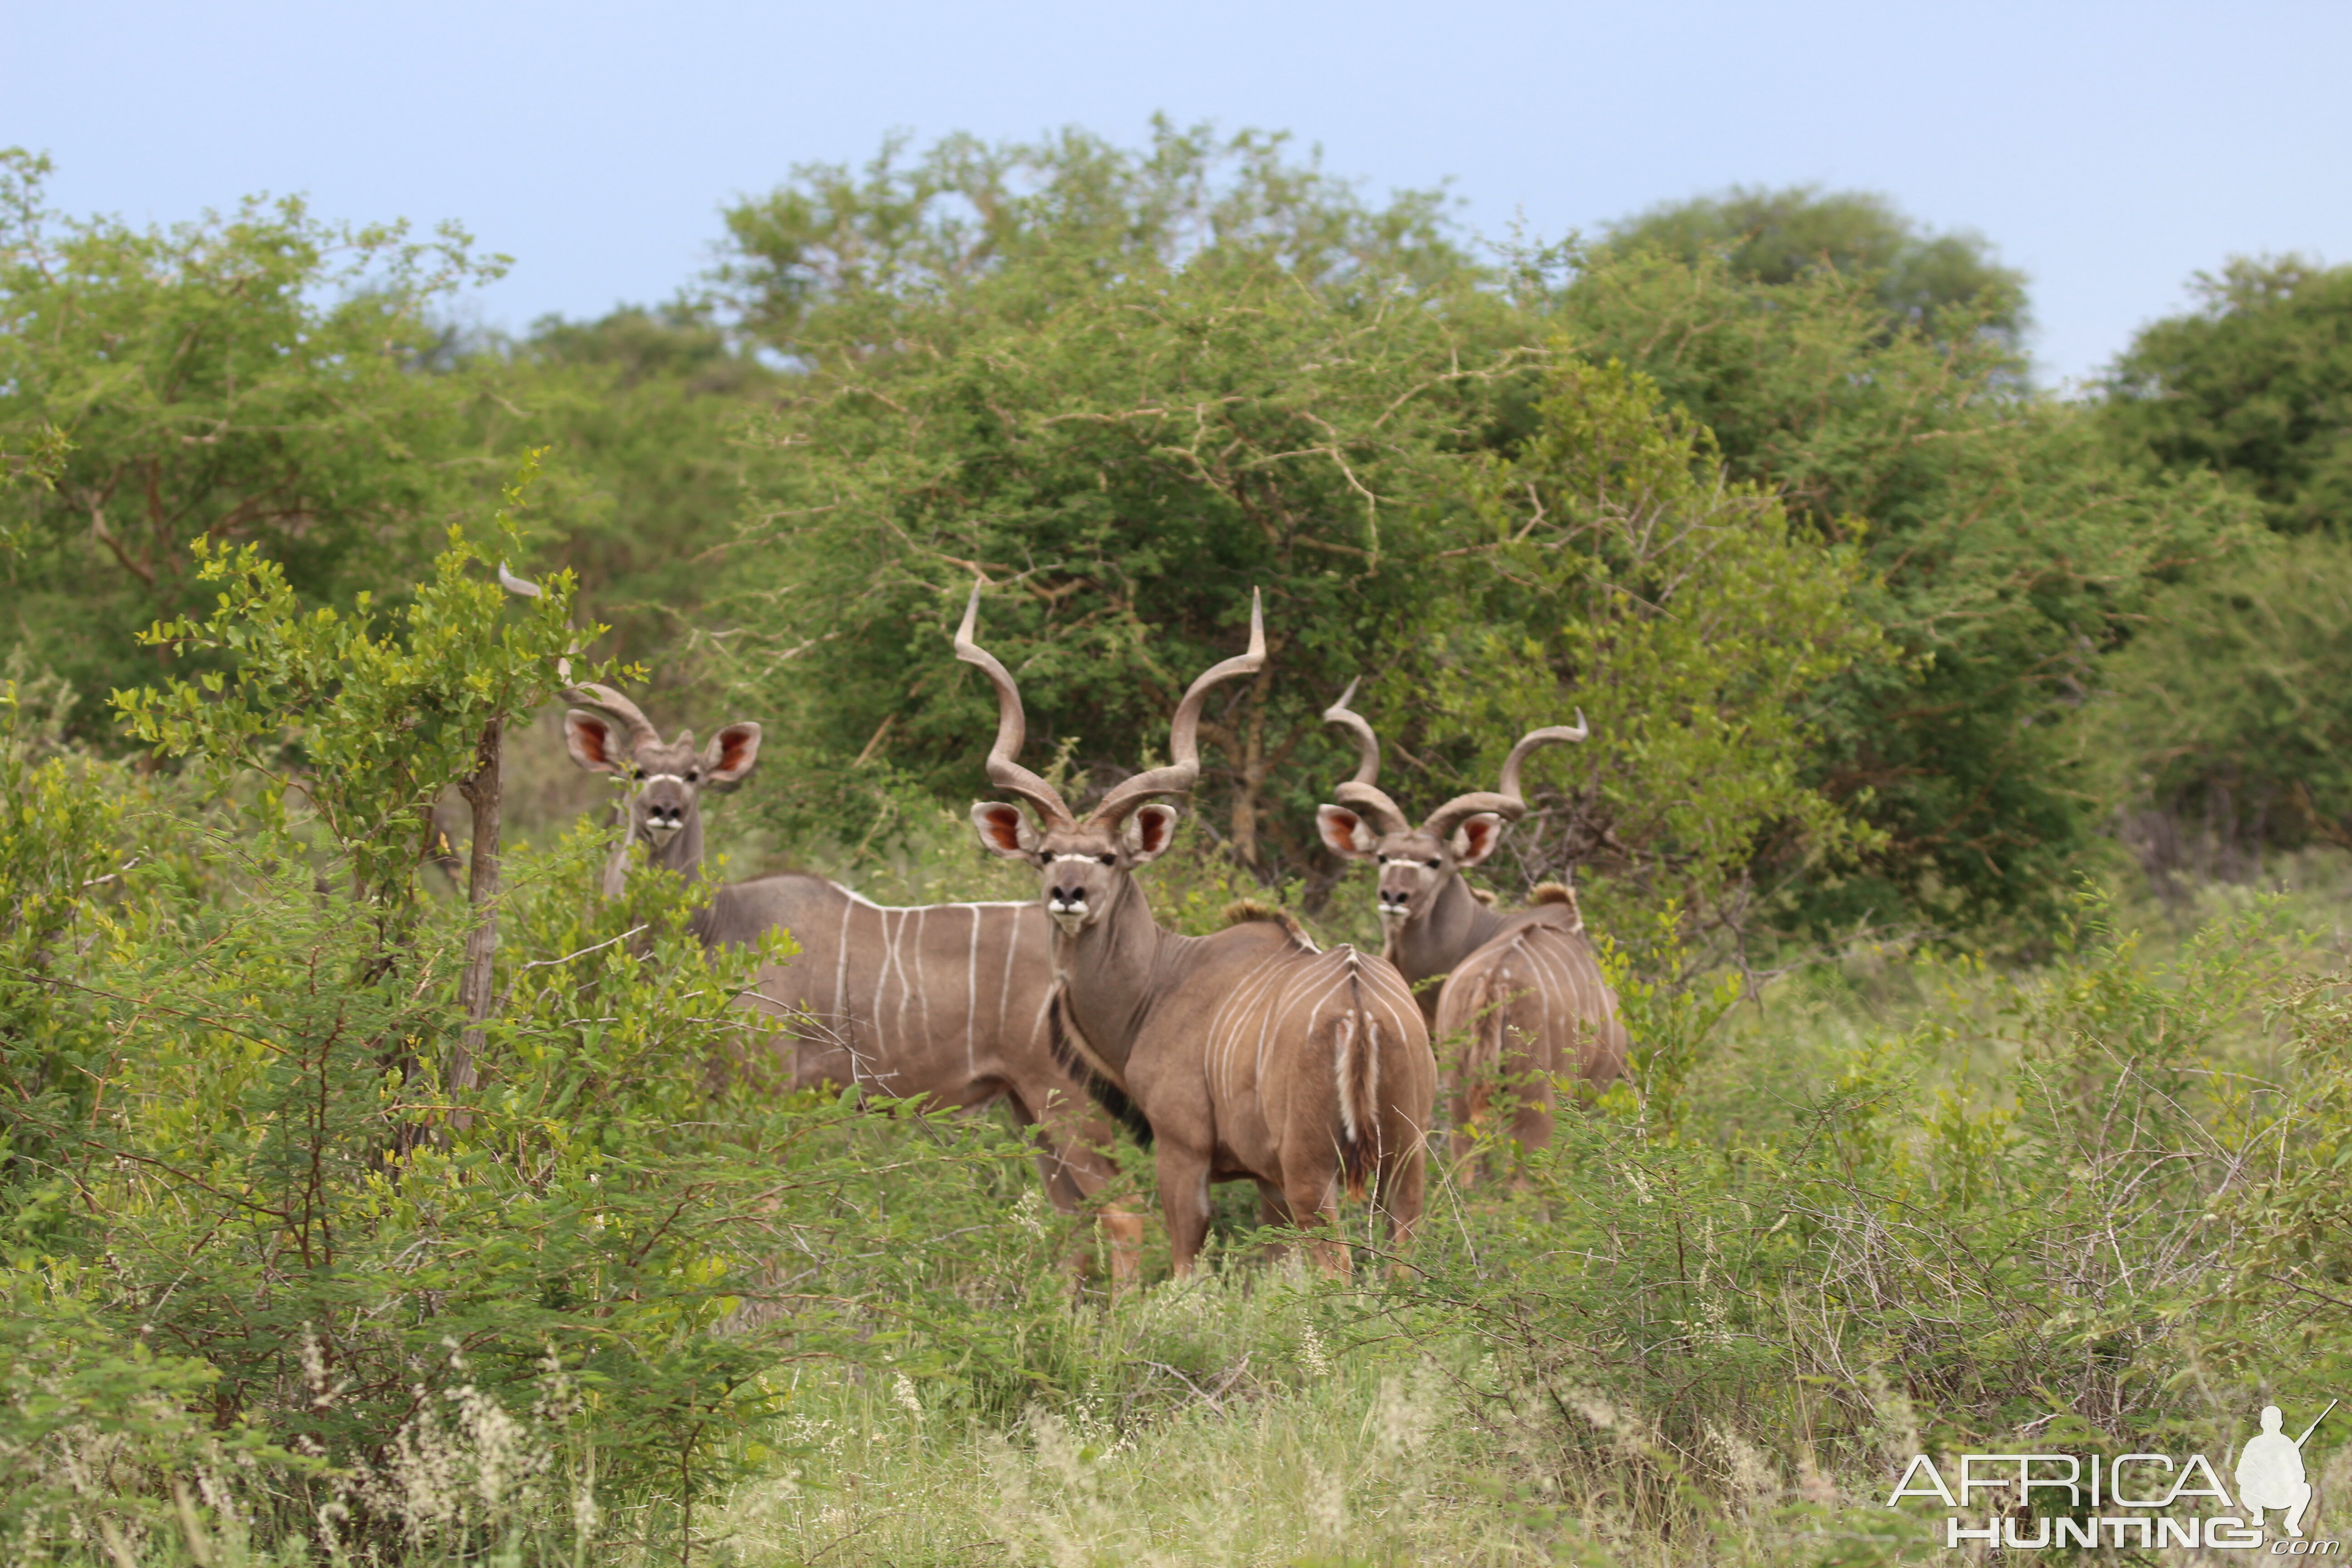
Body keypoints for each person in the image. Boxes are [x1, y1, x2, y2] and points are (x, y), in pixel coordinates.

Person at [2237, 1405, 2314, 1538]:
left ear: (2281, 1423)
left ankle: (2292, 1522)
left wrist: (2284, 1473)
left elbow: (2300, 1473)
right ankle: (2258, 1514)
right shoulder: (2254, 1444)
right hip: (2260, 1495)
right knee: (2246, 1487)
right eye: (2268, 1421)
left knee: (2305, 1489)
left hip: (2282, 1494)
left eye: (2274, 1421)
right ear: (2262, 1423)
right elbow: (2241, 1473)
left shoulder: (2288, 1444)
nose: (2271, 1425)